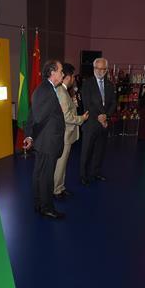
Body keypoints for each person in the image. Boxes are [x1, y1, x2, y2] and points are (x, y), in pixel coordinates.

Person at [22, 60, 65, 218]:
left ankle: (39, 204)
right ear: (52, 72)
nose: (63, 74)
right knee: (46, 177)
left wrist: (30, 136)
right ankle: (47, 208)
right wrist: (33, 136)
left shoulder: (46, 88)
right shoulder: (46, 90)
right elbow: (39, 117)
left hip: (44, 141)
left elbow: (33, 114)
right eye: (60, 71)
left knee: (40, 174)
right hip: (48, 142)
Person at [80, 57, 117, 183]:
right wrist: (100, 117)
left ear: (106, 70)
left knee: (100, 151)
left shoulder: (110, 85)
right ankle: (83, 176)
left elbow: (113, 103)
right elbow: (87, 104)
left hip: (104, 123)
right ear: (94, 68)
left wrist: (106, 116)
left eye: (103, 69)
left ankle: (96, 173)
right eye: (97, 68)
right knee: (86, 151)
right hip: (91, 123)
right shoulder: (87, 83)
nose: (100, 71)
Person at [55, 62, 88, 198]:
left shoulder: (63, 91)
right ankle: (57, 190)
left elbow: (67, 110)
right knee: (61, 164)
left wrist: (73, 106)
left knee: (62, 163)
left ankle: (60, 187)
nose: (74, 79)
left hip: (64, 134)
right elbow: (66, 117)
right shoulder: (62, 92)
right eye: (73, 76)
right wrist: (81, 119)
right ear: (68, 77)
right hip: (65, 134)